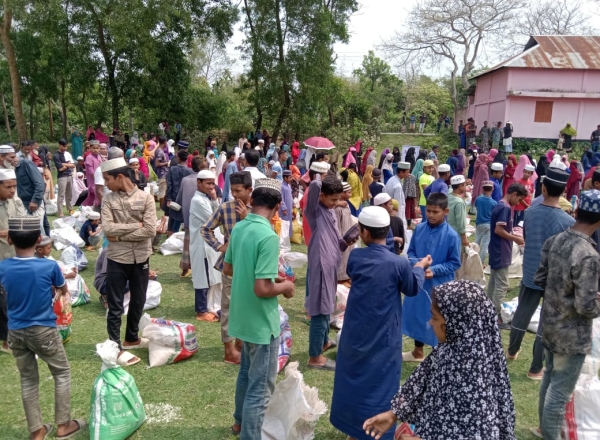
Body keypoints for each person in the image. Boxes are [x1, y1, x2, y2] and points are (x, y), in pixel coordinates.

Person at [363, 280, 516, 440]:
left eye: (435, 318)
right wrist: (393, 414)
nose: (431, 322)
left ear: (454, 323)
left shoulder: (472, 375)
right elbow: (420, 381)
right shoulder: (452, 348)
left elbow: (474, 432)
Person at [330, 206, 429, 440]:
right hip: (383, 335)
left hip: (356, 331)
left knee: (352, 382)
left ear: (364, 232)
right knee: (380, 385)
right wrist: (419, 268)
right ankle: (372, 431)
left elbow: (370, 263)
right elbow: (412, 288)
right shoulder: (399, 264)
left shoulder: (356, 257)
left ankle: (355, 430)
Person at [0, 216, 87, 440]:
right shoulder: (49, 266)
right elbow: (62, 289)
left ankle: (37, 431)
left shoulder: (3, 267)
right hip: (43, 329)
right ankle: (63, 425)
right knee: (62, 372)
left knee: (28, 379)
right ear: (39, 240)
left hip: (15, 331)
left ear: (9, 240)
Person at [224, 178, 295, 439]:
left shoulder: (241, 227)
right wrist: (285, 286)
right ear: (277, 207)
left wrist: (266, 277)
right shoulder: (267, 236)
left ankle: (239, 423)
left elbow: (229, 268)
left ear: (251, 201)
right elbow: (262, 289)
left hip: (242, 316)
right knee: (261, 388)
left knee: (246, 373)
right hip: (261, 321)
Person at [534, 190, 600, 440]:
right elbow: (586, 307)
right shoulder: (588, 255)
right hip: (571, 335)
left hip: (550, 324)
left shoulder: (555, 240)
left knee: (549, 380)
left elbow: (540, 278)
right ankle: (550, 435)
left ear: (577, 210)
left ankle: (543, 429)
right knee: (559, 392)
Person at [507, 168, 573, 382]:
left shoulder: (529, 213)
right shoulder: (568, 222)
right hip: (554, 278)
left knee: (522, 313)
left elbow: (526, 238)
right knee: (546, 322)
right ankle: (535, 368)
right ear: (563, 191)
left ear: (543, 188)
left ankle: (511, 350)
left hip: (530, 272)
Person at [101, 158, 156, 367]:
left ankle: (131, 337)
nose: (106, 184)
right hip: (117, 258)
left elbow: (150, 230)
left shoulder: (146, 198)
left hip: (141, 257)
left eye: (107, 179)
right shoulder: (108, 200)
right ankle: (115, 346)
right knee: (115, 304)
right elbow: (108, 228)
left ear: (120, 177)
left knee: (138, 300)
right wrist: (136, 226)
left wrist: (120, 235)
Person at [304, 175, 357, 370]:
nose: (336, 203)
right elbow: (314, 185)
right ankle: (315, 357)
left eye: (338, 199)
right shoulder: (314, 210)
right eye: (333, 199)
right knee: (321, 309)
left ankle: (324, 341)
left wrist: (347, 241)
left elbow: (335, 241)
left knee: (327, 304)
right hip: (321, 266)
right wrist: (325, 178)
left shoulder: (329, 211)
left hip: (330, 266)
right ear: (321, 196)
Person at [201, 171, 253, 365]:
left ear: (249, 190)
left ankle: (241, 340)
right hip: (231, 265)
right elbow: (205, 228)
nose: (235, 195)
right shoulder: (225, 208)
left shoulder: (257, 210)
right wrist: (219, 246)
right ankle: (229, 349)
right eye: (232, 191)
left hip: (251, 266)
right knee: (228, 306)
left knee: (247, 305)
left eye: (239, 191)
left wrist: (248, 217)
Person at [403, 193, 461, 362]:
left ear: (445, 211)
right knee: (418, 315)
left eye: (435, 212)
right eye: (428, 211)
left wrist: (434, 270)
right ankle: (418, 351)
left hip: (439, 284)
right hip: (419, 282)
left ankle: (439, 357)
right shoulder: (420, 228)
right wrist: (418, 265)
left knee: (438, 318)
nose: (430, 215)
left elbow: (454, 263)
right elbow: (411, 251)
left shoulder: (451, 236)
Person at [487, 183, 527, 329]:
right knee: (502, 284)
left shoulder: (500, 204)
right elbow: (499, 230)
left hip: (496, 248)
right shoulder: (505, 208)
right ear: (514, 194)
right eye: (519, 199)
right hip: (501, 250)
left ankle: (487, 312)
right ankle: (496, 317)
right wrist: (515, 238)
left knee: (493, 282)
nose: (518, 203)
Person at [190, 170, 220, 323]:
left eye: (213, 183)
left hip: (207, 244)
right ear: (199, 182)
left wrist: (214, 199)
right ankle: (201, 311)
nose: (211, 186)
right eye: (208, 183)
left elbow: (216, 213)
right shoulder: (198, 201)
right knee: (202, 277)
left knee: (208, 276)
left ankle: (206, 306)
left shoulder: (205, 198)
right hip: (201, 244)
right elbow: (215, 218)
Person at [0, 169, 25, 355]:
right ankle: (7, 340)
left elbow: (22, 222)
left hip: (13, 257)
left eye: (14, 186)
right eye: (8, 187)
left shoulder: (14, 201)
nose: (12, 190)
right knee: (3, 300)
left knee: (12, 298)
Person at [176, 157, 203, 277]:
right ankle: (199, 268)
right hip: (202, 216)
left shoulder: (185, 180)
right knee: (200, 244)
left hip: (188, 216)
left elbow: (179, 198)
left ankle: (185, 267)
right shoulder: (205, 180)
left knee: (188, 243)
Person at [299, 161, 329, 246]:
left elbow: (301, 204)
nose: (326, 179)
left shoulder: (308, 189)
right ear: (316, 176)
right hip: (314, 228)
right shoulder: (315, 191)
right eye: (324, 176)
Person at [166, 150, 194, 234]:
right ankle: (178, 232)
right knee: (183, 215)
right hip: (185, 196)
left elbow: (169, 185)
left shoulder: (172, 169)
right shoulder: (190, 171)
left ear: (178, 158)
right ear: (187, 159)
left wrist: (169, 198)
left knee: (173, 215)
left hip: (174, 195)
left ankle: (172, 232)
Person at [335, 182, 355, 282]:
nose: (350, 194)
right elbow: (337, 226)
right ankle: (340, 278)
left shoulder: (346, 205)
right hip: (342, 237)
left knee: (348, 256)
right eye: (349, 192)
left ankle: (346, 276)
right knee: (342, 257)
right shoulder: (338, 208)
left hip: (348, 235)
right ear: (342, 193)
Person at [474, 181, 497, 264]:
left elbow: (476, 209)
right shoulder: (494, 203)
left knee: (476, 243)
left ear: (483, 189)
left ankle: (472, 260)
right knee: (485, 245)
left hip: (479, 223)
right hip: (488, 224)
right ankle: (480, 262)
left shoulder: (478, 199)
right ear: (492, 189)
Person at [53, 139, 75, 218]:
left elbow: (73, 165)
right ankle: (60, 212)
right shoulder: (56, 156)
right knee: (61, 195)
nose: (65, 148)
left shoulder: (67, 154)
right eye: (64, 146)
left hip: (69, 175)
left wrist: (64, 164)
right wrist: (68, 164)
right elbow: (60, 169)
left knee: (69, 194)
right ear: (59, 145)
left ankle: (70, 209)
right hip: (62, 177)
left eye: (66, 146)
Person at [447, 175, 470, 249]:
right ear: (460, 187)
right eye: (465, 184)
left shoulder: (449, 195)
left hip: (447, 230)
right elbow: (461, 222)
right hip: (456, 233)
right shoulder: (459, 202)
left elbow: (451, 189)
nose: (466, 186)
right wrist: (464, 238)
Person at [385, 163, 408, 229]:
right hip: (396, 213)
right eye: (407, 172)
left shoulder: (392, 179)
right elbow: (398, 204)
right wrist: (399, 221)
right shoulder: (397, 186)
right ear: (401, 172)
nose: (408, 174)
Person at [398, 162, 417, 226]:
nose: (408, 174)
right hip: (411, 197)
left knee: (408, 210)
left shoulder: (408, 178)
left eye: (408, 172)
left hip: (407, 198)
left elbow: (406, 189)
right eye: (407, 172)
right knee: (410, 210)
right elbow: (413, 189)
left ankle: (408, 224)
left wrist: (404, 197)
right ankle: (409, 224)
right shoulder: (412, 178)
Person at [279, 170, 293, 236]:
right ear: (285, 178)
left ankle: (288, 237)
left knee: (289, 222)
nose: (291, 179)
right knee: (284, 222)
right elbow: (281, 198)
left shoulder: (289, 186)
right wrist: (284, 208)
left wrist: (293, 203)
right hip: (284, 209)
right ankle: (284, 237)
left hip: (289, 207)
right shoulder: (282, 186)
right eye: (290, 177)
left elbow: (290, 195)